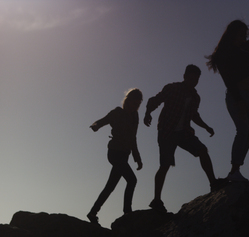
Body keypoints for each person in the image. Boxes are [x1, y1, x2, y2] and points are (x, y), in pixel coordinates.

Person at [205, 5, 249, 181]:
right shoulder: (223, 54)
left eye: (244, 35)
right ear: (232, 34)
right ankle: (235, 169)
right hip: (237, 96)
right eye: (240, 34)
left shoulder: (245, 48)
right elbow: (228, 81)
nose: (243, 38)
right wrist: (238, 100)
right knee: (243, 130)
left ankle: (235, 171)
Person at [144, 64, 227, 213]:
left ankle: (213, 183)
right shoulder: (172, 88)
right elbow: (155, 100)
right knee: (165, 165)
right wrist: (148, 113)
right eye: (191, 78)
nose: (194, 81)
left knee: (202, 150)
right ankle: (156, 200)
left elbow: (194, 115)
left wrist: (206, 127)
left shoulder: (195, 97)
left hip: (184, 132)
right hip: (167, 131)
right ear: (185, 77)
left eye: (196, 79)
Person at [87, 88, 144, 225]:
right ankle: (127, 212)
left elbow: (133, 138)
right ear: (128, 101)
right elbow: (101, 121)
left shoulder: (135, 117)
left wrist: (137, 157)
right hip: (114, 153)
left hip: (125, 155)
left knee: (110, 186)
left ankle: (92, 212)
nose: (136, 106)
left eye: (138, 104)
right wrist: (95, 126)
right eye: (134, 103)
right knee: (132, 180)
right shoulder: (117, 113)